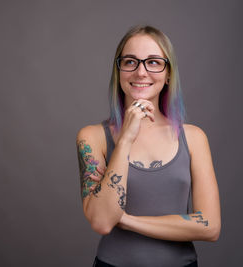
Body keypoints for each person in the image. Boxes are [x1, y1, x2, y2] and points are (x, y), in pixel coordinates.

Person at [76, 25, 221, 267]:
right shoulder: (93, 137)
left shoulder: (194, 137)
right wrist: (125, 140)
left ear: (168, 75)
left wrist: (125, 220)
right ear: (119, 70)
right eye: (130, 61)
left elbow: (210, 226)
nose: (141, 72)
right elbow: (102, 222)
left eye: (153, 62)